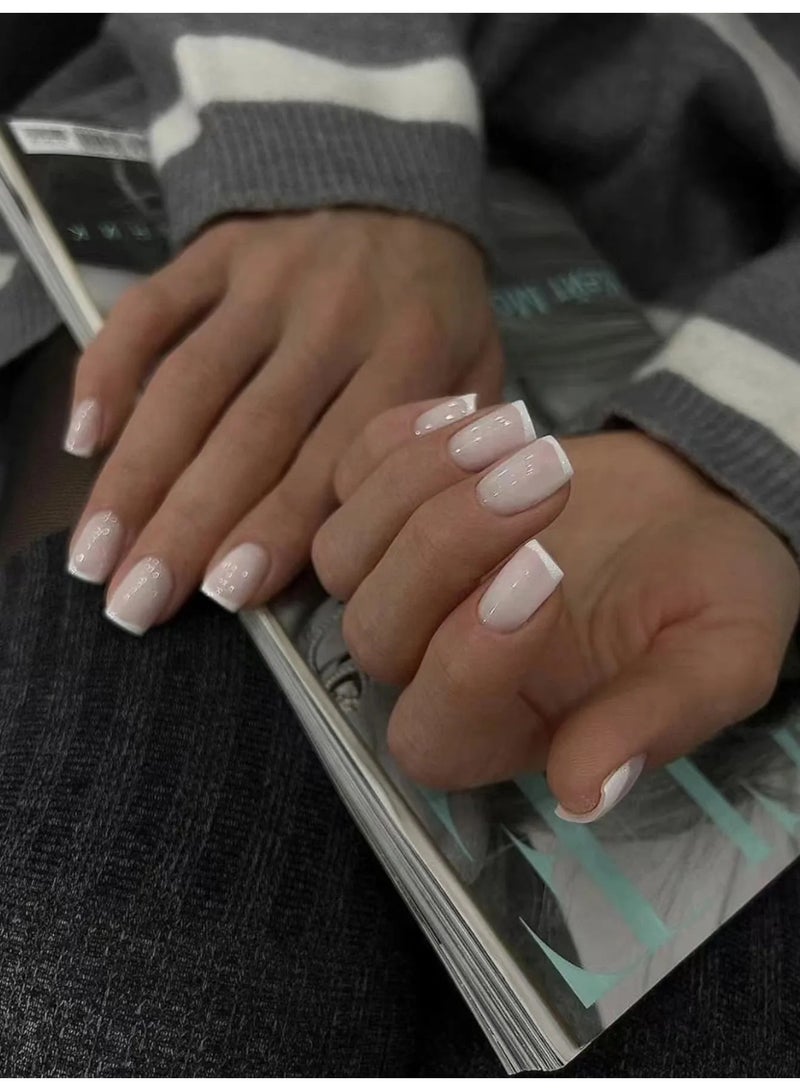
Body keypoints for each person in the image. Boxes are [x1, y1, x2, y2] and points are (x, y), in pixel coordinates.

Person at [0, 13, 798, 1075]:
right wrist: (337, 151)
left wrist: (748, 440)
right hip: (255, 187)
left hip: (736, 438)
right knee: (115, 987)